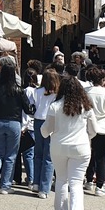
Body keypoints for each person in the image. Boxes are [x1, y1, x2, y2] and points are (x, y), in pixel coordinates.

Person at [40, 73, 94, 210]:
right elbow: (93, 130)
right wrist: (86, 137)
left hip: (59, 146)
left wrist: (45, 132)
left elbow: (46, 130)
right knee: (76, 183)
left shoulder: (55, 106)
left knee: (61, 180)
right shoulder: (86, 106)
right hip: (81, 147)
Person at [0, 55, 31, 196]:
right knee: (11, 155)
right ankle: (5, 186)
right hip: (14, 123)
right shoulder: (19, 90)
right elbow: (28, 109)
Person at [85, 66, 105, 196]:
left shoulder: (85, 92)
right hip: (102, 127)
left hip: (87, 127)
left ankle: (88, 180)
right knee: (101, 157)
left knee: (89, 155)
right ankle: (100, 185)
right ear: (103, 80)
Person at [31, 67, 60, 198]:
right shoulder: (57, 94)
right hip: (51, 121)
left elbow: (33, 105)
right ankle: (44, 188)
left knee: (38, 153)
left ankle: (36, 183)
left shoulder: (37, 91)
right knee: (49, 156)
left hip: (38, 120)